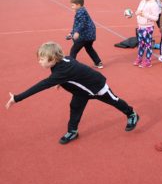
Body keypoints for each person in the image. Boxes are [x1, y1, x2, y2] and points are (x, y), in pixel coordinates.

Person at [5, 42, 140, 145]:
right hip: (81, 92)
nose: (39, 61)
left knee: (114, 101)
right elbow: (72, 69)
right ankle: (72, 131)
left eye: (41, 59)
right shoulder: (63, 62)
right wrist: (61, 81)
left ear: (53, 60)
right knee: (75, 107)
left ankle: (131, 114)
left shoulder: (60, 71)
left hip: (97, 86)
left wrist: (17, 98)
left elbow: (40, 86)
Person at [66, 0, 103, 69]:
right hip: (90, 35)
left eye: (73, 5)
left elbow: (81, 23)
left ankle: (71, 66)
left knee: (74, 50)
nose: (71, 7)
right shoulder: (82, 11)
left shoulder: (80, 12)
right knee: (89, 48)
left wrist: (76, 32)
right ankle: (98, 62)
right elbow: (77, 24)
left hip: (84, 36)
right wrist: (71, 33)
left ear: (78, 5)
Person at [134, 0, 160, 68]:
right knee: (141, 44)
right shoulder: (142, 1)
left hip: (148, 27)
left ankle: (148, 61)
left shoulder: (154, 4)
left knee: (147, 44)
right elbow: (138, 11)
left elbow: (156, 18)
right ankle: (139, 58)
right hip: (140, 26)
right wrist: (134, 13)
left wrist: (144, 14)